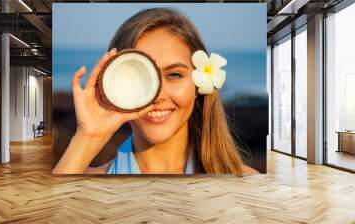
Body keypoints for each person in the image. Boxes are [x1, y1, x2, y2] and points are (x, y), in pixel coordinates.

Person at [53, 7, 258, 175]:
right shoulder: (85, 181)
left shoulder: (246, 182)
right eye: (138, 77)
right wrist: (89, 137)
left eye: (174, 75)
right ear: (113, 86)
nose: (158, 96)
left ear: (198, 85)